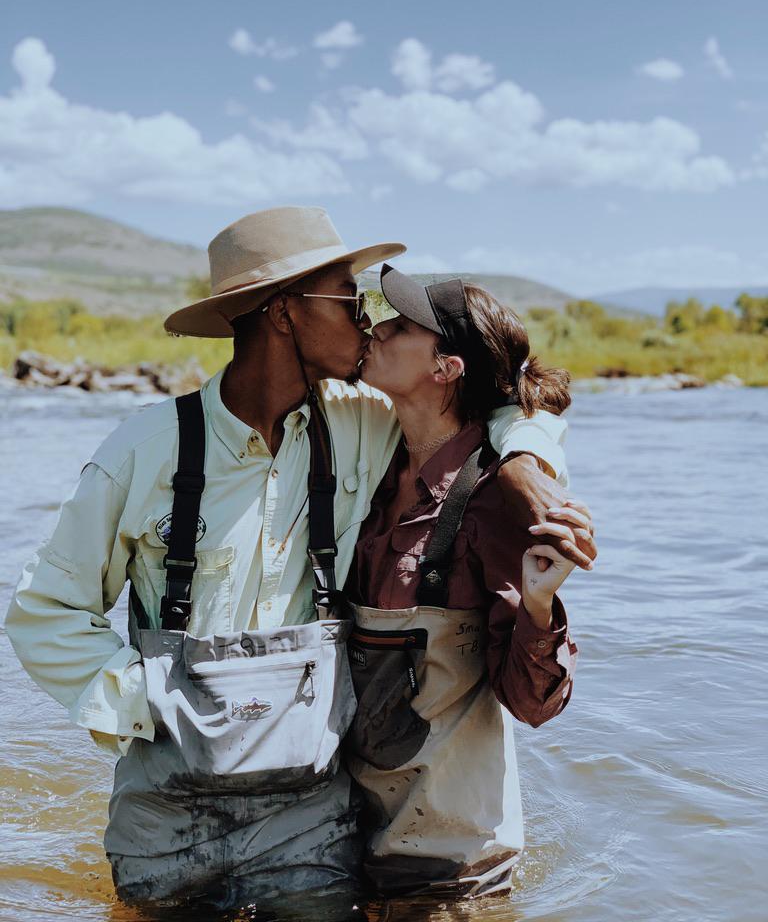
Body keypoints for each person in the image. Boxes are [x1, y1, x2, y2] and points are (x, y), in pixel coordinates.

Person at [5, 207, 595, 912]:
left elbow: (488, 403)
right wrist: (142, 703)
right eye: (348, 300)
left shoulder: (363, 423)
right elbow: (44, 610)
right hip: (163, 817)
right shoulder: (142, 448)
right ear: (283, 313)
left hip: (311, 827)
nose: (367, 320)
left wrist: (528, 461)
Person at [344, 264, 594, 898]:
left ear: (446, 369)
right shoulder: (364, 464)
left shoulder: (493, 499)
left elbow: (533, 705)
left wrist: (539, 603)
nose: (376, 327)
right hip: (344, 845)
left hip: (453, 869)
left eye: (399, 325)